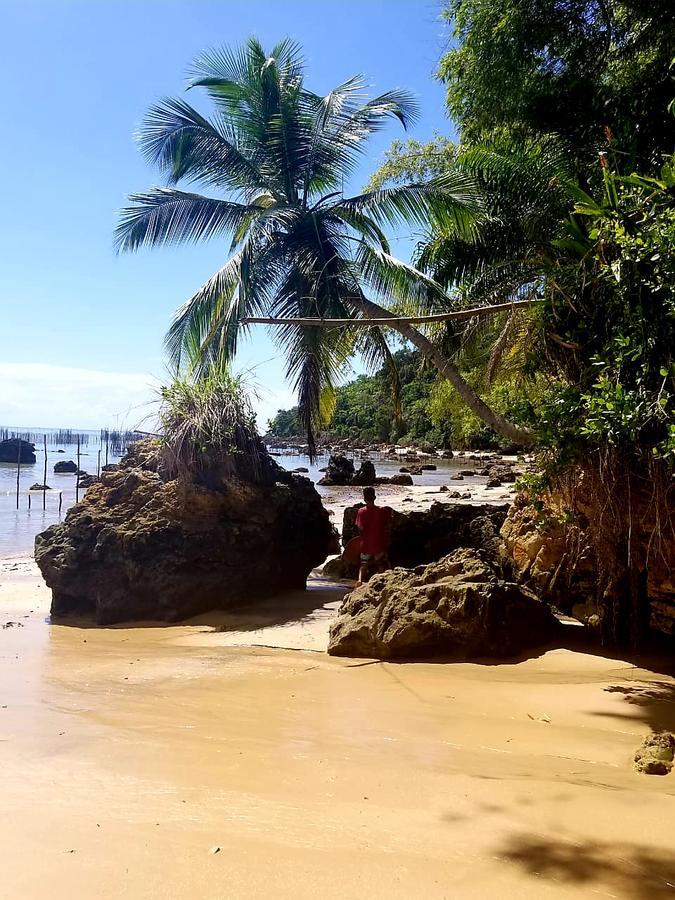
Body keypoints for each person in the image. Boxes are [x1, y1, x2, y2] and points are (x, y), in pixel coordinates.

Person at [355, 486, 392, 586]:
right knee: (380, 563)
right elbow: (387, 526)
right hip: (379, 543)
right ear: (375, 497)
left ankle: (359, 581)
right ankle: (381, 581)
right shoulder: (382, 511)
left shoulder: (361, 511)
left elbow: (361, 528)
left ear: (364, 498)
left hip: (366, 544)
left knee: (363, 565)